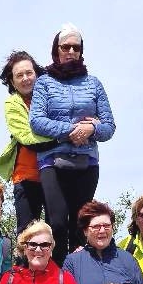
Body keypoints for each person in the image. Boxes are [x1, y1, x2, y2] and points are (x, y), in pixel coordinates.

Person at [29, 23, 116, 264]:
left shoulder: (94, 83)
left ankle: (77, 280)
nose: (70, 51)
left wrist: (93, 128)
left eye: (75, 47)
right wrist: (72, 130)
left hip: (86, 162)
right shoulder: (44, 83)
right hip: (52, 161)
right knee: (56, 222)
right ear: (56, 50)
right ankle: (55, 275)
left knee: (80, 224)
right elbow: (36, 121)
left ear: (81, 51)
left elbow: (109, 127)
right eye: (65, 46)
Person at [0, 51, 57, 234]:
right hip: (27, 176)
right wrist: (60, 136)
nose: (26, 78)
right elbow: (27, 138)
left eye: (29, 73)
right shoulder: (13, 103)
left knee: (56, 228)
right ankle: (22, 264)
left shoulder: (51, 100)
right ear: (12, 82)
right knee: (27, 232)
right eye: (19, 75)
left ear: (37, 74)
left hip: (56, 172)